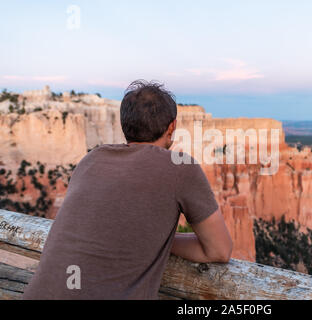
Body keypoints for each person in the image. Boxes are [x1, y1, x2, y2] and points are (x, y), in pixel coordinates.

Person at [23, 80, 233, 300]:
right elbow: (219, 250)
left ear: (125, 126)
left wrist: (144, 238)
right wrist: (156, 241)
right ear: (172, 127)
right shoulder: (181, 167)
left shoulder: (91, 159)